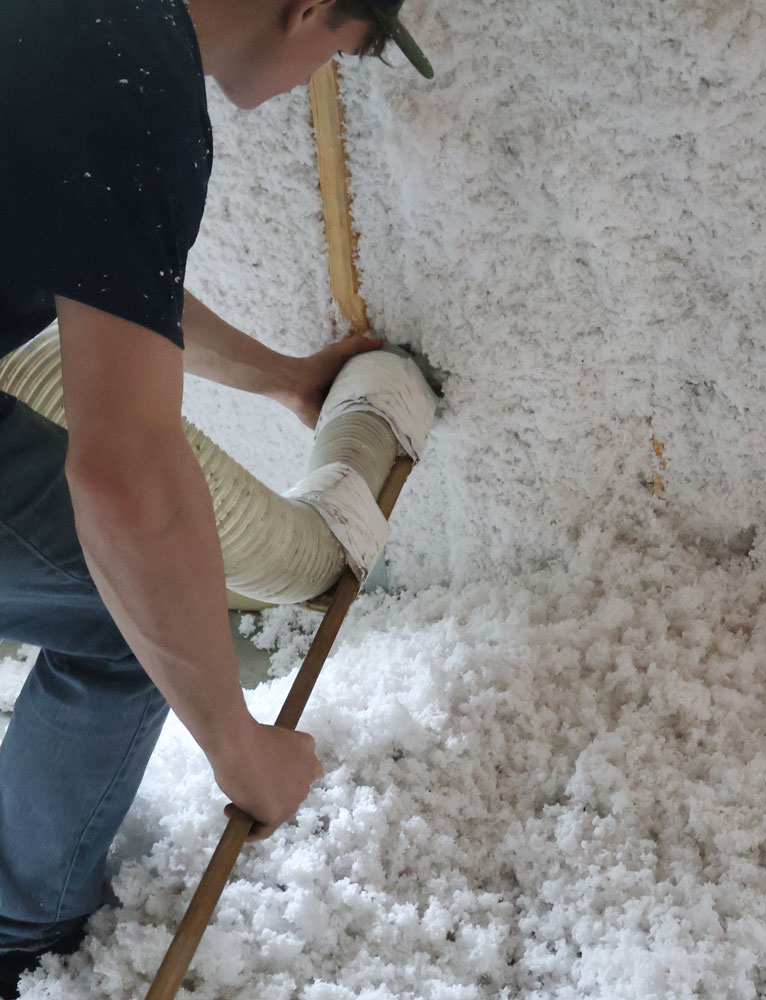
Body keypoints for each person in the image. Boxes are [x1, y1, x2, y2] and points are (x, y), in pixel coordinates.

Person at [0, 0, 433, 993]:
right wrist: (236, 744)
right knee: (122, 613)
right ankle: (20, 928)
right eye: (346, 51)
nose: (322, 74)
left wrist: (284, 376)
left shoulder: (94, 33)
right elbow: (123, 480)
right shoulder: (139, 88)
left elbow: (109, 273)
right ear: (316, 8)